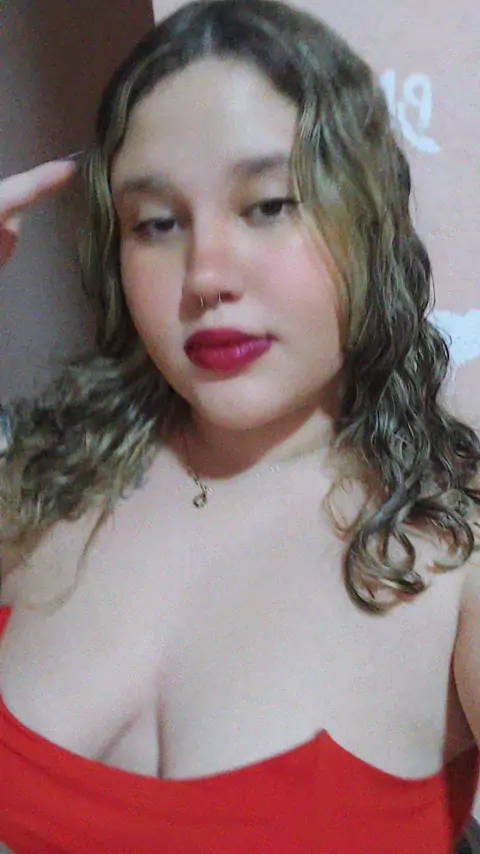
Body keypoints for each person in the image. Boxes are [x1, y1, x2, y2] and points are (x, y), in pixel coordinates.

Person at [0, 0, 480, 851]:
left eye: (268, 205)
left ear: (366, 217)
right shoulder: (41, 477)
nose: (205, 275)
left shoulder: (455, 545)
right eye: (157, 223)